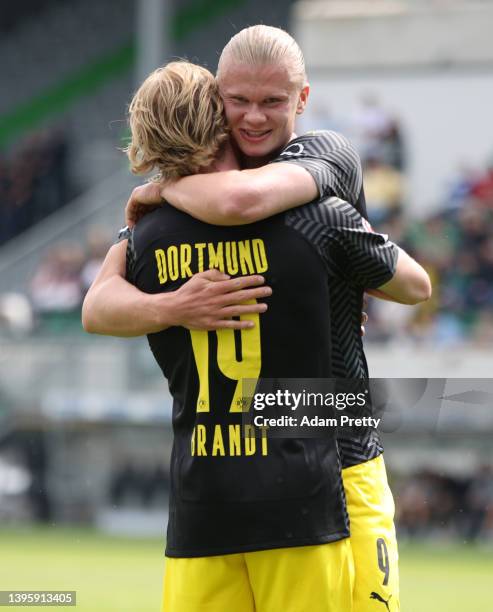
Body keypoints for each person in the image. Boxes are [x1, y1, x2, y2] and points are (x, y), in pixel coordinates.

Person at [83, 26, 431, 611]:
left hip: (259, 467)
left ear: (301, 99)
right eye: (237, 100)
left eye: (271, 101)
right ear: (215, 99)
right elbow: (416, 286)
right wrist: (175, 304)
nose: (252, 117)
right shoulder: (318, 216)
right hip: (319, 463)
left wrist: (163, 189)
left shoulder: (321, 157)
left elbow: (236, 203)